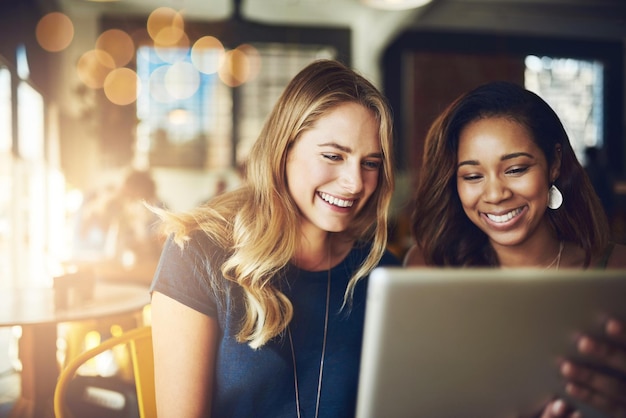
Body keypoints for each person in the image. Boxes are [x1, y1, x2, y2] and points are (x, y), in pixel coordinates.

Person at [149, 59, 400, 417]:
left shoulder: (381, 273)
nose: (355, 182)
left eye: (371, 163)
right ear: (284, 149)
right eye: (333, 155)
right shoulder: (197, 253)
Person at [404, 80, 626, 417]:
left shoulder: (616, 271)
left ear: (554, 163)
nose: (495, 194)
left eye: (516, 169)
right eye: (472, 176)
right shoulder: (427, 268)